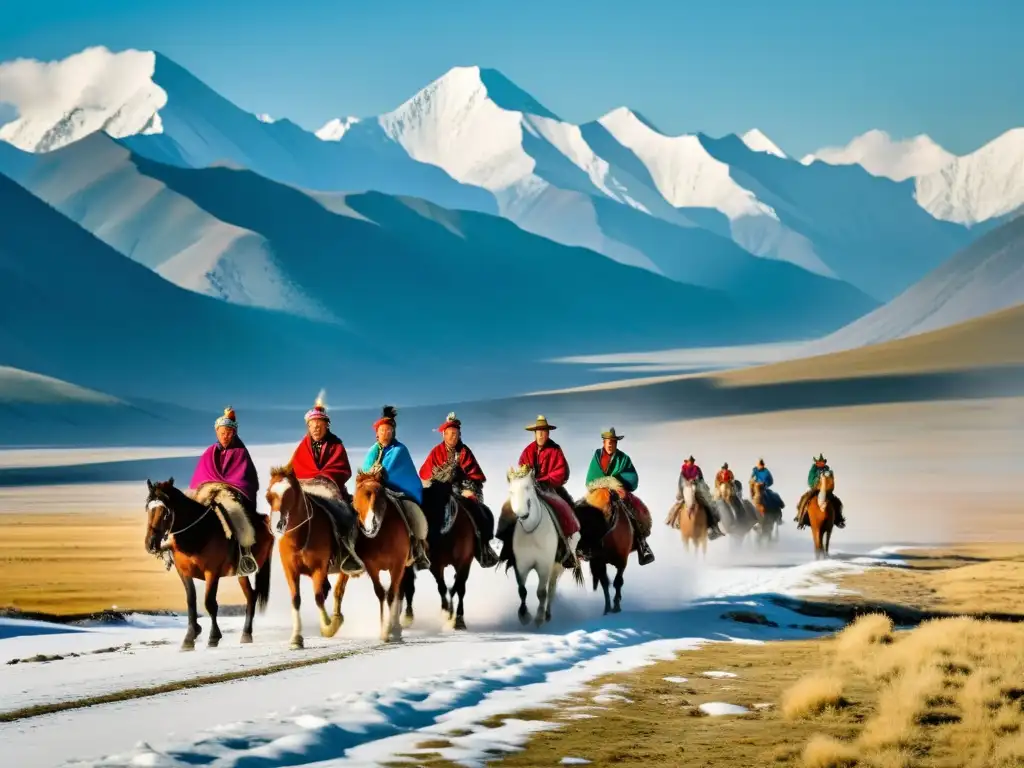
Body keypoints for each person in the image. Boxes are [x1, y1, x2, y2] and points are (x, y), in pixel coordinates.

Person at [287, 397, 362, 573]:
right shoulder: (302, 446)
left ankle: (347, 552)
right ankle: (290, 550)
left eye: (319, 424)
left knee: (347, 516)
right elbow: (293, 467)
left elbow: (342, 469)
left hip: (331, 491)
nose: (315, 428)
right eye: (312, 425)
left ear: (326, 425)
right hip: (305, 490)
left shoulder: (336, 444)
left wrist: (324, 479)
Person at [419, 412, 499, 567]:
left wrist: (468, 489)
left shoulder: (464, 452)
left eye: (455, 434)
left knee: (477, 511)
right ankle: (421, 548)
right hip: (440, 490)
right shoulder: (436, 452)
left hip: (463, 489)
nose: (452, 437)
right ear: (443, 435)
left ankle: (483, 548)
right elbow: (425, 474)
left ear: (459, 434)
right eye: (449, 434)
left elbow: (473, 476)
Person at [498, 415, 580, 568]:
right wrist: (525, 479)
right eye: (538, 432)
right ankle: (505, 546)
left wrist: (543, 480)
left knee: (565, 508)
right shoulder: (528, 450)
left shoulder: (555, 449)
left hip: (551, 487)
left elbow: (560, 471)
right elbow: (523, 467)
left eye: (544, 432)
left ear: (548, 433)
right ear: (534, 434)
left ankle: (567, 547)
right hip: (530, 489)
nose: (541, 435)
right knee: (510, 507)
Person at [186, 406, 261, 572]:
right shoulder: (209, 452)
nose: (224, 436)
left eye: (228, 432)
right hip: (208, 490)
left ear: (233, 433)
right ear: (216, 433)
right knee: (188, 510)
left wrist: (228, 487)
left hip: (231, 492)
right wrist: (206, 488)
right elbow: (201, 476)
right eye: (221, 432)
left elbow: (245, 479)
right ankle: (177, 546)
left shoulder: (240, 452)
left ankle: (244, 553)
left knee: (236, 514)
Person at [362, 405, 431, 570]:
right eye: (382, 430)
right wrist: (369, 478)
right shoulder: (372, 450)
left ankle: (417, 547)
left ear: (393, 432)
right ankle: (353, 548)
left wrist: (380, 475)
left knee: (413, 513)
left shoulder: (400, 450)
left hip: (399, 491)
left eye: (388, 430)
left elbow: (393, 470)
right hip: (375, 490)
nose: (385, 433)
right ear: (376, 433)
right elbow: (365, 471)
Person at [584, 428, 655, 565]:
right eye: (608, 442)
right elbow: (590, 480)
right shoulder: (597, 456)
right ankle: (583, 546)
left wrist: (618, 482)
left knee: (632, 510)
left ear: (616, 443)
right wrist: (606, 482)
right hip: (599, 491)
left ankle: (642, 545)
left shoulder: (624, 458)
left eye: (613, 442)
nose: (610, 444)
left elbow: (632, 478)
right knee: (583, 511)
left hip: (618, 491)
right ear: (603, 442)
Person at [678, 456, 725, 539]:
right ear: (687, 462)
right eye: (689, 462)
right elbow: (681, 480)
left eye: (692, 462)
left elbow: (700, 478)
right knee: (679, 506)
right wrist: (685, 483)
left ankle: (713, 526)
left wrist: (694, 480)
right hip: (687, 488)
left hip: (697, 487)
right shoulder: (683, 469)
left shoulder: (697, 469)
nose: (690, 463)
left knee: (708, 504)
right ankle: (677, 522)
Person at [796, 454, 845, 529]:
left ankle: (839, 519)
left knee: (837, 502)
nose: (821, 463)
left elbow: (832, 482)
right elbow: (810, 481)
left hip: (827, 490)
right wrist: (818, 479)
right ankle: (800, 518)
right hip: (815, 489)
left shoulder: (828, 470)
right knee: (804, 499)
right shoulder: (813, 470)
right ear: (816, 463)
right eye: (819, 462)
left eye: (822, 462)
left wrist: (829, 479)